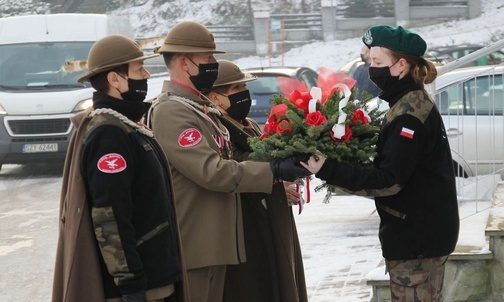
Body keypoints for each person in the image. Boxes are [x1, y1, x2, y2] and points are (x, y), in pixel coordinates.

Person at [146, 21, 310, 302]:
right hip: (198, 244)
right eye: (208, 58)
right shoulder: (172, 111)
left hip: (215, 243)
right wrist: (272, 171)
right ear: (185, 63)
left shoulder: (197, 108)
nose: (213, 63)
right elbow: (212, 172)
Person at [301, 25, 460, 301]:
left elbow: (389, 180)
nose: (371, 70)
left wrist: (329, 169)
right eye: (369, 62)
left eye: (377, 63)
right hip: (418, 236)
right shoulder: (406, 102)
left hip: (417, 242)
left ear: (401, 65)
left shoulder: (410, 115)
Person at [52, 34, 187, 302]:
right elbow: (110, 215)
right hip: (142, 285)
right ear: (115, 79)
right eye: (138, 69)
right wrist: (130, 283)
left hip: (156, 275)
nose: (146, 75)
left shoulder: (126, 125)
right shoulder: (109, 134)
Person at [205, 59, 308, 302]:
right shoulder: (218, 128)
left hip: (271, 214)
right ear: (215, 97)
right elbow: (235, 164)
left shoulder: (247, 123)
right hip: (249, 223)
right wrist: (276, 176)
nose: (245, 94)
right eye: (236, 89)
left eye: (243, 87)